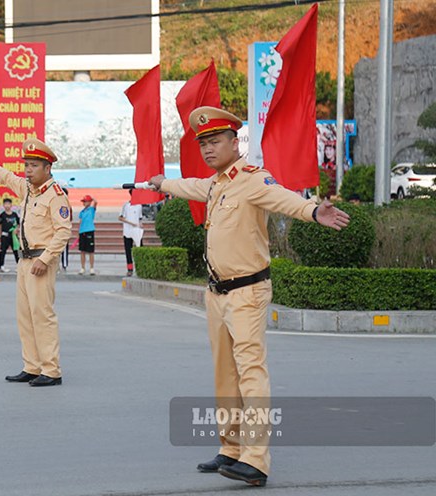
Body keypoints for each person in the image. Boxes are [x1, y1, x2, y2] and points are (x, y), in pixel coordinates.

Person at [148, 106, 351, 487]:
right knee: (224, 375)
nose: (208, 150)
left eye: (215, 141)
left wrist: (311, 211)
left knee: (251, 373)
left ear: (233, 142)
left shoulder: (252, 179)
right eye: (203, 143)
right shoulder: (216, 184)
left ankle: (256, 459)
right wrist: (161, 183)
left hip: (247, 292)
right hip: (217, 294)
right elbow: (189, 185)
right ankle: (231, 447)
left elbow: (283, 198)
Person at [0, 138, 72, 387]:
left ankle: (51, 370)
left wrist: (45, 259)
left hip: (41, 261)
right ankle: (32, 366)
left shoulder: (55, 196)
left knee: (42, 315)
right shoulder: (29, 190)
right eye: (27, 165)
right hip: (24, 260)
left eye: (33, 165)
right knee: (25, 316)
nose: (28, 170)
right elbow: (4, 176)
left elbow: (63, 231)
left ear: (47, 168)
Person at [119, 190, 144, 277]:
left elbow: (140, 218)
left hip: (136, 230)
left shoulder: (139, 206)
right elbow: (120, 217)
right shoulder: (126, 206)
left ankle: (141, 268)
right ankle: (130, 269)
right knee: (128, 251)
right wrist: (129, 222)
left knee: (139, 249)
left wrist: (140, 225)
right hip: (127, 231)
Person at [0, 198, 20, 272]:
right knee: (3, 251)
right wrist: (1, 234)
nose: (7, 206)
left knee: (17, 251)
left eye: (8, 204)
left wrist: (17, 230)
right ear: (3, 205)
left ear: (11, 205)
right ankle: (1, 266)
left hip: (14, 236)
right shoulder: (2, 215)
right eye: (5, 204)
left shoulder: (15, 214)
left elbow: (18, 224)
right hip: (5, 235)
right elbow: (0, 225)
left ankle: (19, 266)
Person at [77, 194, 97, 275]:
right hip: (82, 232)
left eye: (85, 201)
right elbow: (80, 221)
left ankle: (91, 268)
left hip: (90, 231)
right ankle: (82, 267)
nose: (84, 203)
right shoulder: (82, 212)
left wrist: (91, 199)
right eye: (83, 201)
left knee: (91, 251)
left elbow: (96, 202)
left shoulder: (91, 209)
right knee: (82, 251)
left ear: (89, 202)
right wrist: (79, 231)